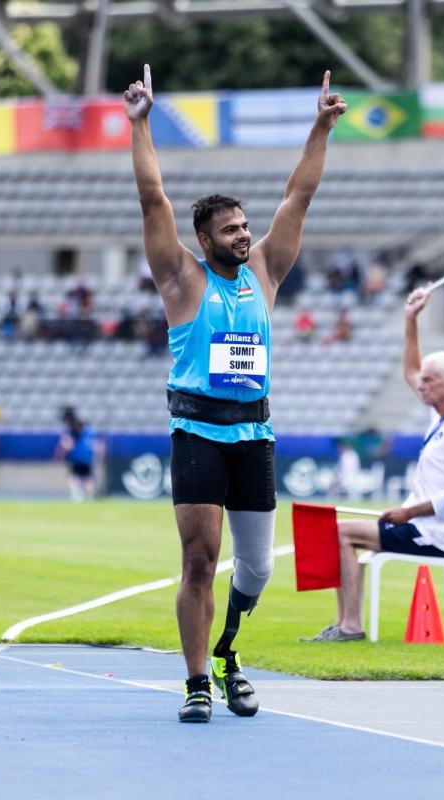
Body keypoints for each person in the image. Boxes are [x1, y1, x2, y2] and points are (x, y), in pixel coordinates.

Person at [125, 63, 345, 722]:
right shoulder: (181, 281)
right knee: (200, 560)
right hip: (198, 433)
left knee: (257, 571)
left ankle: (228, 650)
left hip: (256, 435)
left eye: (245, 227)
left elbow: (297, 198)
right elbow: (152, 200)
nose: (244, 236)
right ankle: (196, 681)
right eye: (230, 232)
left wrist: (320, 126)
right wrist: (140, 124)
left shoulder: (267, 273)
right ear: (203, 241)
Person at [304, 285, 444, 642]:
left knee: (338, 532)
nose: (421, 387)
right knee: (332, 530)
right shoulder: (442, 417)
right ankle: (343, 623)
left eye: (429, 382)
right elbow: (412, 370)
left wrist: (409, 513)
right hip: (421, 526)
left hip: (431, 534)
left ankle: (350, 626)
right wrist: (411, 319)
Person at [57, 407, 98, 501]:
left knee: (74, 477)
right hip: (87, 457)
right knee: (87, 478)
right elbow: (94, 444)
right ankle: (88, 498)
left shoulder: (70, 430)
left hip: (76, 457)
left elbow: (68, 444)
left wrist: (61, 453)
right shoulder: (88, 430)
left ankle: (76, 496)